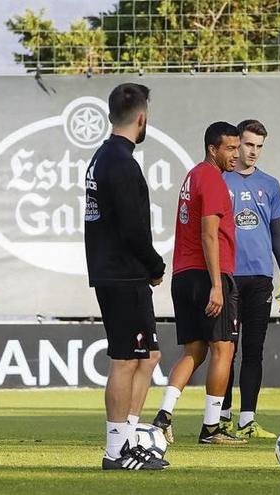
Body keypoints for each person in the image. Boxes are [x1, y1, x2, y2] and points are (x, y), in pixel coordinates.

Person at [84, 83, 167, 471]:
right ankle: (116, 450)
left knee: (148, 356)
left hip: (114, 272)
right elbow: (132, 229)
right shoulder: (120, 162)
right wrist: (154, 266)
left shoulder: (105, 157)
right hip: (122, 274)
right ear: (142, 117)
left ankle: (128, 439)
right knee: (125, 359)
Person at [152, 121, 245, 445]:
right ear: (213, 149)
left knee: (194, 350)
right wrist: (218, 285)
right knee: (224, 349)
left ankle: (163, 416)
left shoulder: (193, 176)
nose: (237, 155)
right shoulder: (214, 180)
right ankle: (211, 428)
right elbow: (209, 233)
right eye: (231, 149)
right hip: (208, 275)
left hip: (183, 276)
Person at [219, 119, 280, 439]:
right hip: (229, 276)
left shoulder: (270, 184)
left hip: (261, 277)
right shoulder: (220, 180)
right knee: (226, 350)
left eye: (259, 146)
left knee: (253, 350)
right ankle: (219, 417)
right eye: (249, 145)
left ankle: (247, 420)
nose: (254, 152)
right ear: (237, 143)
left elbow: (276, 234)